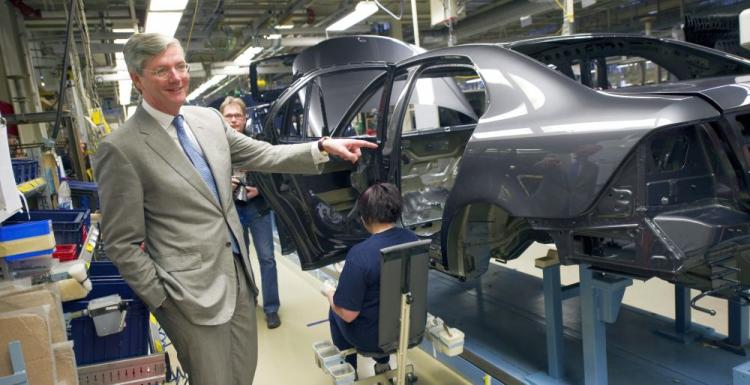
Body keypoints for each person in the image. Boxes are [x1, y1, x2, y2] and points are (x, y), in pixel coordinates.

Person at [93, 33, 377, 385]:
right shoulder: (122, 148)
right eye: (162, 70)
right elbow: (121, 241)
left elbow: (265, 154)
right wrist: (163, 300)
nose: (177, 77)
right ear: (137, 79)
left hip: (239, 280)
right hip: (185, 296)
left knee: (243, 373)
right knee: (212, 378)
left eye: (180, 66)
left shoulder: (207, 121)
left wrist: (321, 146)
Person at [322, 183, 418, 375]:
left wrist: (329, 292)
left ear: (364, 217)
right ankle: (382, 364)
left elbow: (348, 314)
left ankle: (349, 370)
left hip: (371, 339)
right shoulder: (414, 240)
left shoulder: (359, 255)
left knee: (335, 310)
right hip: (409, 329)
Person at [220, 96, 282, 329]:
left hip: (258, 209)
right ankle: (249, 300)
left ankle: (272, 309)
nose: (234, 120)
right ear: (222, 119)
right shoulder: (214, 147)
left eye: (238, 115)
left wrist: (262, 190)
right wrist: (229, 184)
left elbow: (274, 174)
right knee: (240, 261)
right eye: (229, 116)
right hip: (232, 210)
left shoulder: (257, 143)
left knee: (267, 258)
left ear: (245, 119)